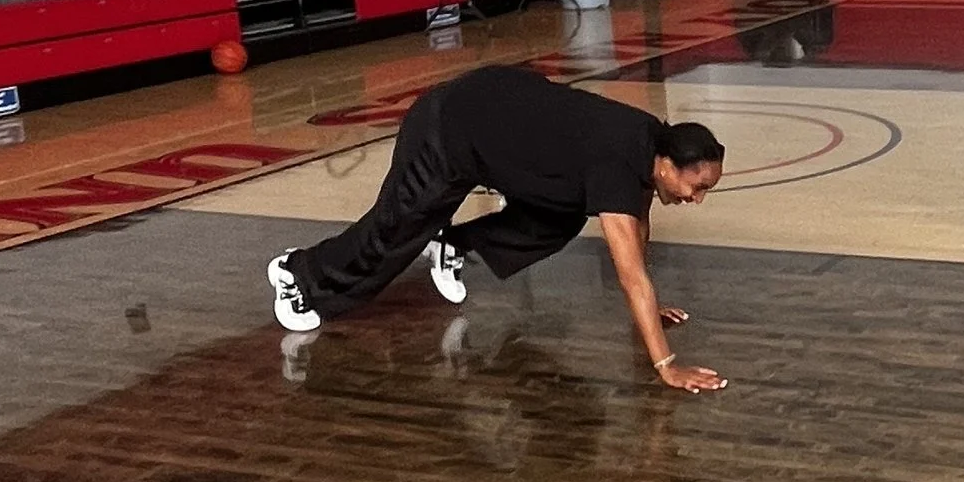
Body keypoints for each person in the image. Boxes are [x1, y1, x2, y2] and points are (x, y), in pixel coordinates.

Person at [269, 64, 729, 394]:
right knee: (396, 231)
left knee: (559, 217)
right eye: (697, 185)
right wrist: (666, 364)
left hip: (501, 122)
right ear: (668, 165)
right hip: (450, 126)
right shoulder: (618, 163)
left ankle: (455, 245)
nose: (698, 198)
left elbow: (638, 223)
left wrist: (651, 302)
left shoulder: (649, 144)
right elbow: (629, 272)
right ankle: (300, 274)